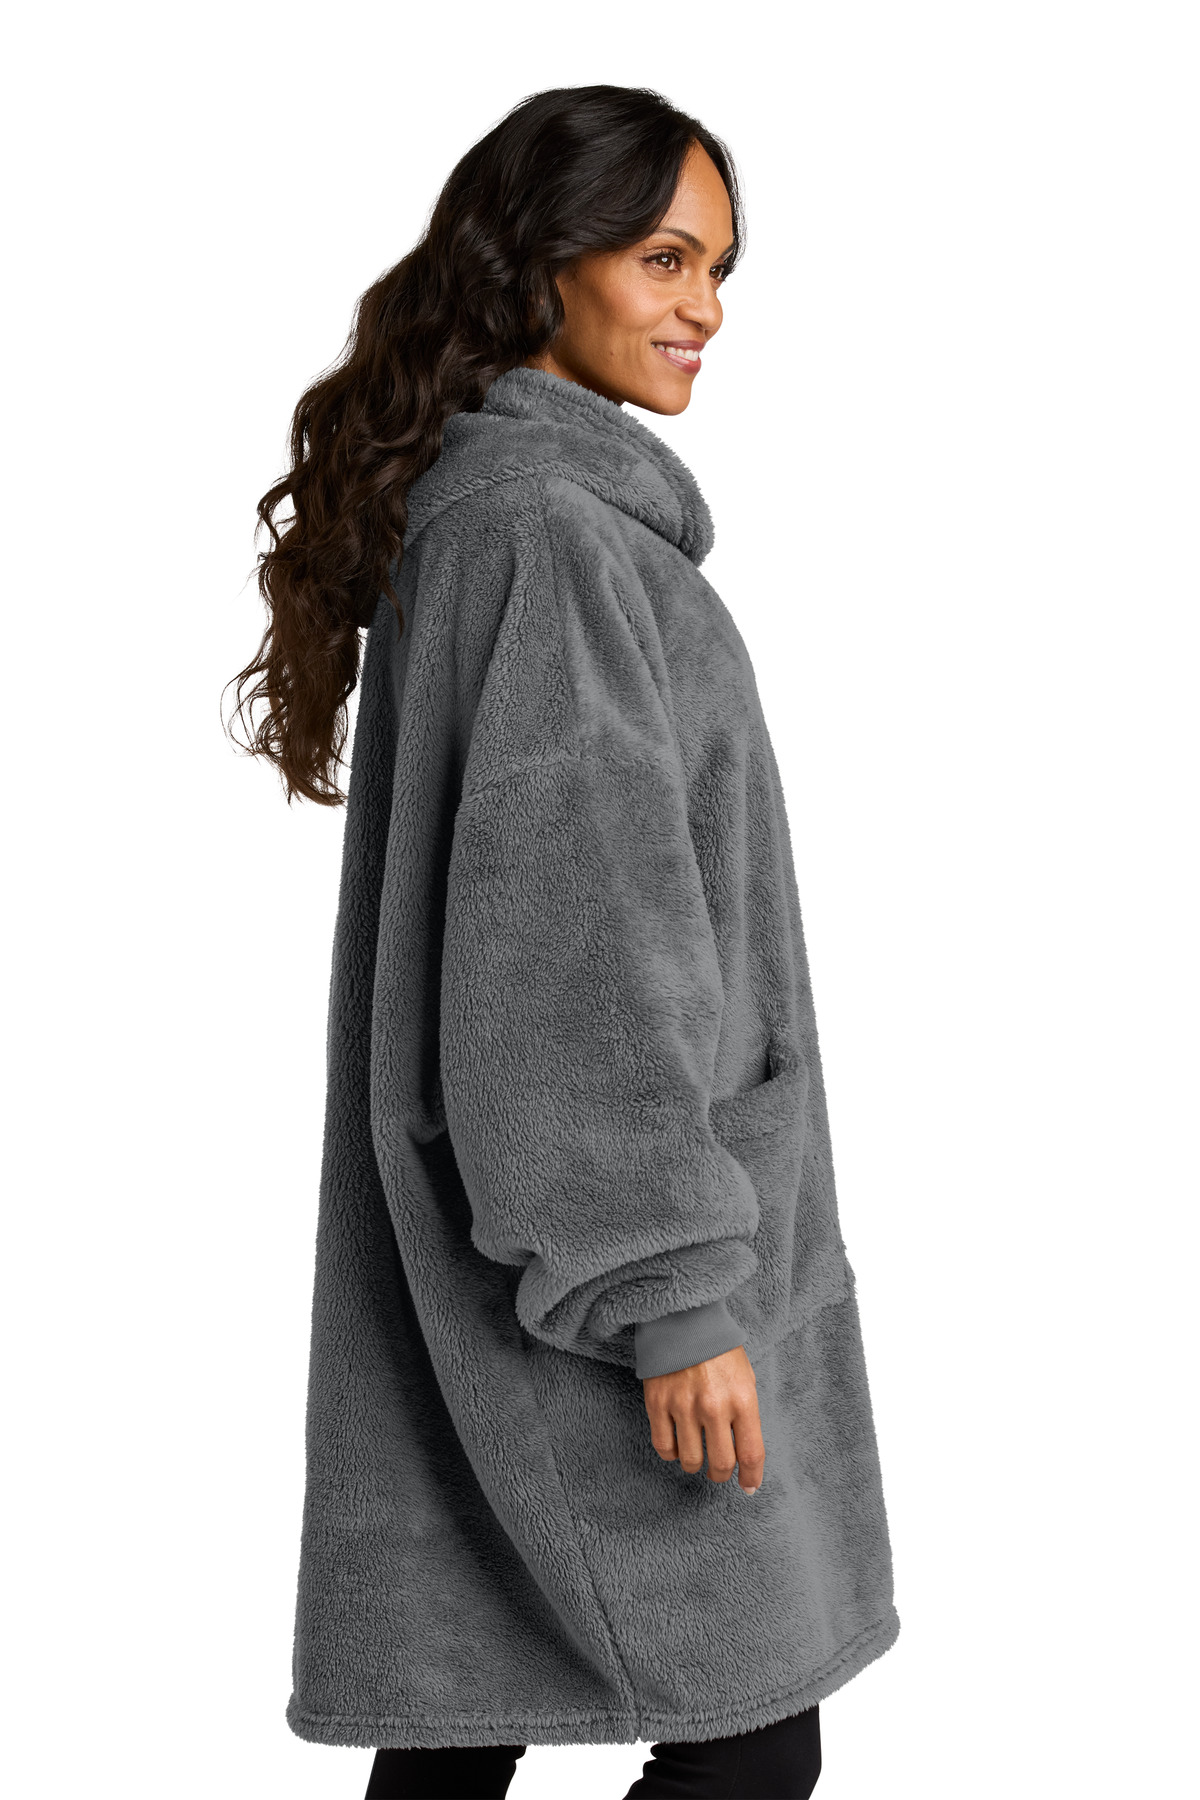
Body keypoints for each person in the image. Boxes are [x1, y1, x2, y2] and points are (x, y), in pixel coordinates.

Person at [230, 84, 898, 1800]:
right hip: (593, 1278)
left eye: (721, 268)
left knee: (467, 1727)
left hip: (529, 1254)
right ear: (540, 265)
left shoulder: (513, 524)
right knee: (747, 1744)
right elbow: (570, 950)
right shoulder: (546, 535)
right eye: (664, 259)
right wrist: (665, 1290)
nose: (705, 309)